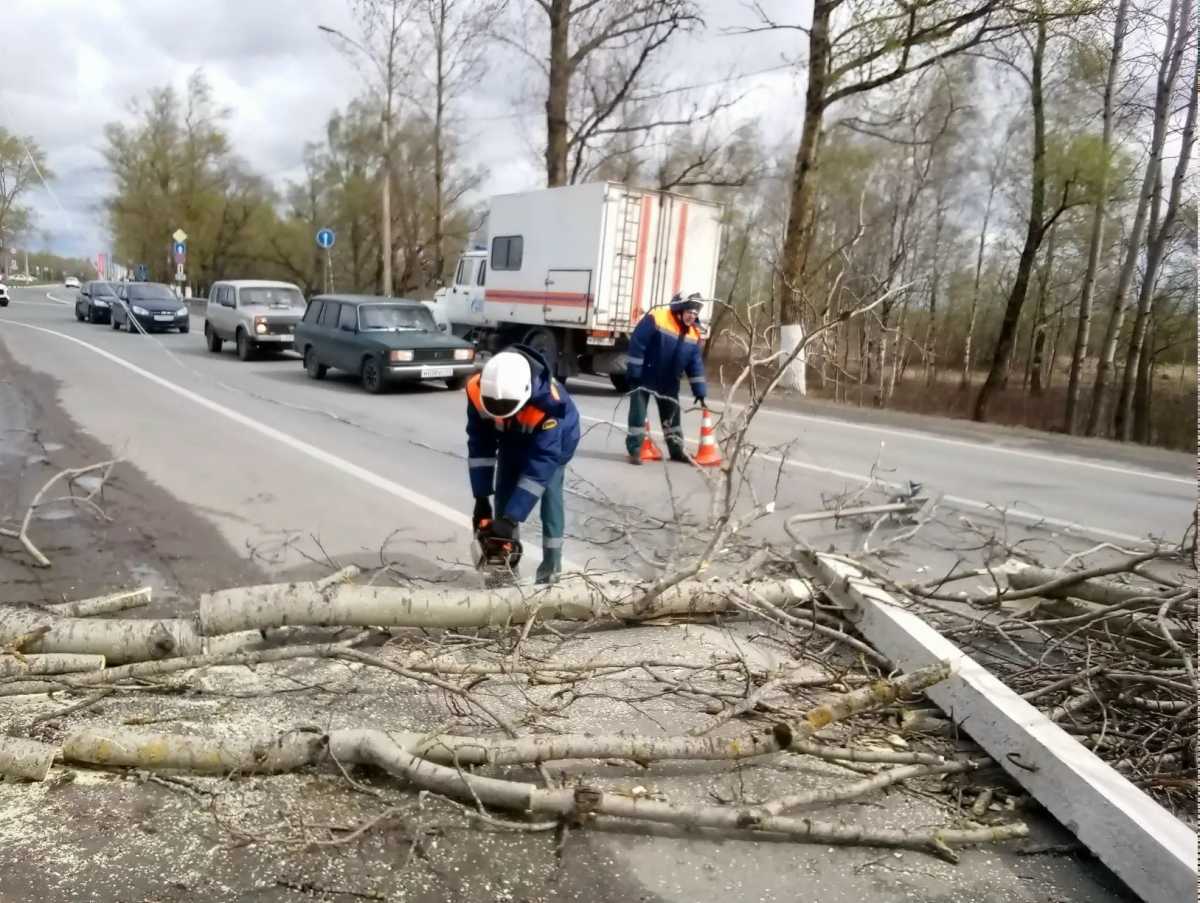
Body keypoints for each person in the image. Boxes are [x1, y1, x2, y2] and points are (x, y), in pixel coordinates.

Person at [465, 345, 580, 584]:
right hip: (511, 436)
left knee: (548, 497)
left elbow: (541, 466)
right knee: (504, 496)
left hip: (556, 445)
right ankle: (502, 568)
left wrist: (511, 518)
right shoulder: (479, 391)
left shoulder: (549, 405)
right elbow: (480, 447)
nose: (500, 414)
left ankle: (550, 572)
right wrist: (481, 498)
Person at [625, 292, 707, 464]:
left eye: (695, 313)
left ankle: (677, 451)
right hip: (644, 376)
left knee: (673, 417)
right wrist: (634, 372)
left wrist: (700, 391)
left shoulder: (694, 333)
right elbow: (637, 343)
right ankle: (635, 451)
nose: (692, 316)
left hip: (669, 381)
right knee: (638, 417)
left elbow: (695, 364)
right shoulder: (658, 318)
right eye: (689, 312)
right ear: (681, 309)